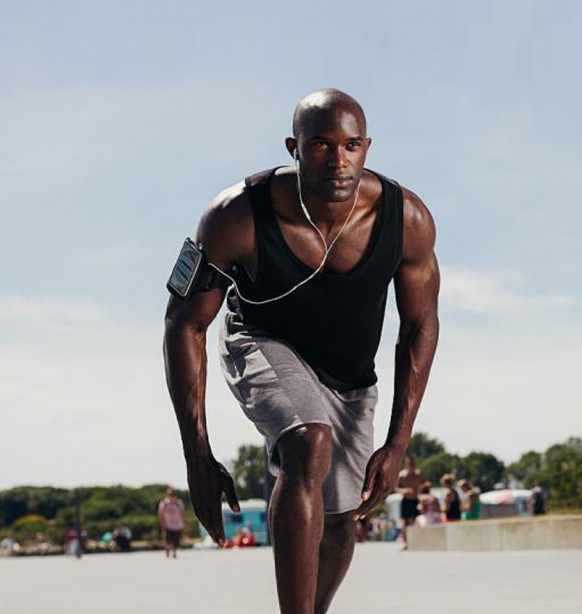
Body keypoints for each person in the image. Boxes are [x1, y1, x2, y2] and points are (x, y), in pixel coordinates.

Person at [163, 89, 440, 614]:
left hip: (350, 374)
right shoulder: (234, 215)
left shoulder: (408, 221)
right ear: (294, 146)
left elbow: (421, 326)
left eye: (352, 145)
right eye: (321, 145)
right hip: (262, 341)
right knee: (308, 440)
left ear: (367, 147)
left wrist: (398, 442)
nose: (339, 161)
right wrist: (197, 456)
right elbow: (183, 324)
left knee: (340, 520)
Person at [396, 455, 425, 549]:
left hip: (415, 500)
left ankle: (416, 541)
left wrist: (420, 492)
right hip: (406, 500)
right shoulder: (401, 475)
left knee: (417, 521)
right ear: (406, 464)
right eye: (409, 463)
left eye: (412, 463)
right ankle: (406, 543)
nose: (411, 465)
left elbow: (424, 485)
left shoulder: (418, 475)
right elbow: (396, 488)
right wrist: (404, 491)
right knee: (406, 522)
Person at [157, 487, 186, 558]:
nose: (171, 496)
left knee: (176, 540)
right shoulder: (164, 503)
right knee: (167, 540)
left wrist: (184, 522)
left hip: (177, 525)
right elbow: (160, 514)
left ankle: (174, 552)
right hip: (167, 524)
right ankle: (167, 550)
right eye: (170, 494)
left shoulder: (179, 503)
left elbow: (183, 513)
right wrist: (162, 523)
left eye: (172, 494)